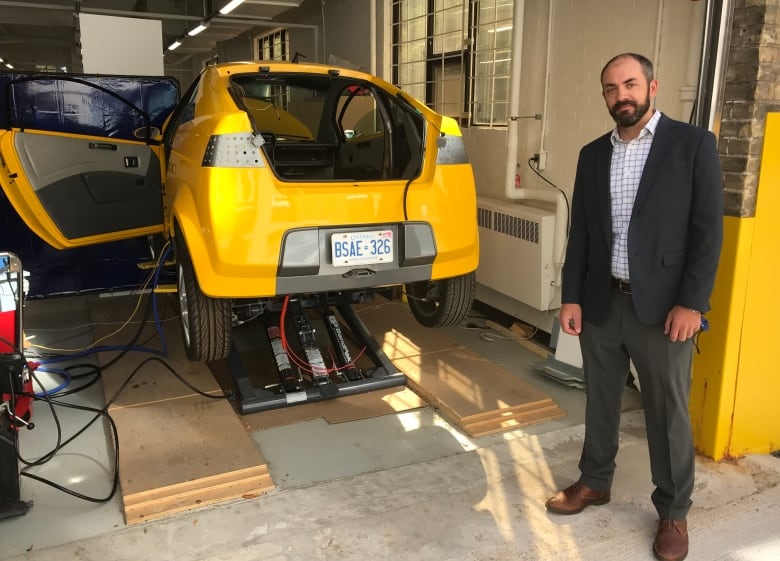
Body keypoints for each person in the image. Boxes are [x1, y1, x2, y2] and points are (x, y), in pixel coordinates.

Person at [545, 53, 723, 561]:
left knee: (667, 412)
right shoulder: (592, 154)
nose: (620, 95)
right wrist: (571, 295)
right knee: (600, 398)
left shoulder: (691, 145)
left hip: (666, 310)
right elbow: (581, 232)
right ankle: (595, 481)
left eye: (629, 84)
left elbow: (708, 233)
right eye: (610, 89)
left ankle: (673, 510)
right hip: (603, 302)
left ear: (652, 86)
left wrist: (692, 303)